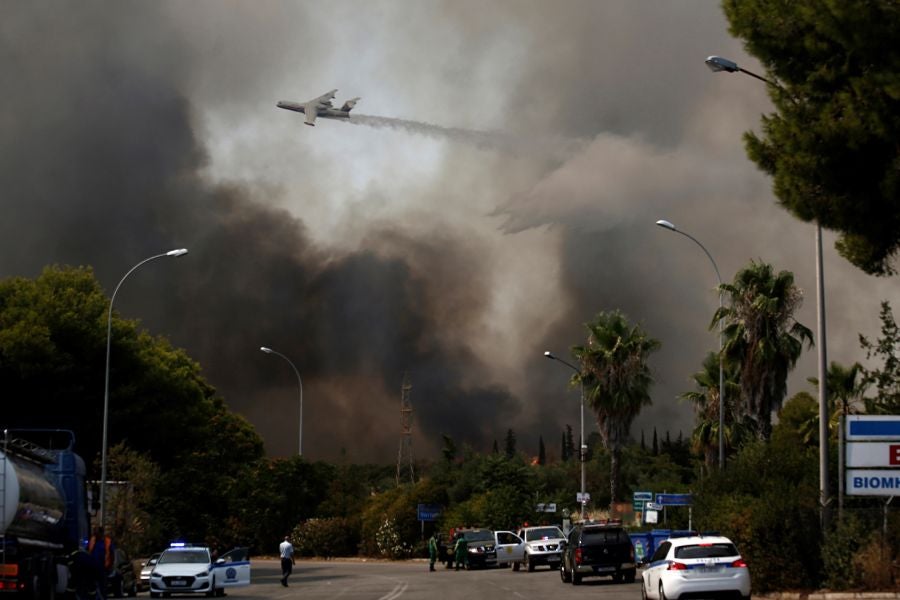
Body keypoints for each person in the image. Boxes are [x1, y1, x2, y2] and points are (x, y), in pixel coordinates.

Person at [88, 526, 114, 599]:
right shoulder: (92, 540)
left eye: (96, 532)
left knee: (103, 587)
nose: (95, 534)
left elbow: (112, 555)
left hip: (103, 568)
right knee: (92, 587)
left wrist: (110, 566)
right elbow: (88, 551)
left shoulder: (107, 541)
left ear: (101, 533)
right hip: (92, 568)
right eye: (94, 532)